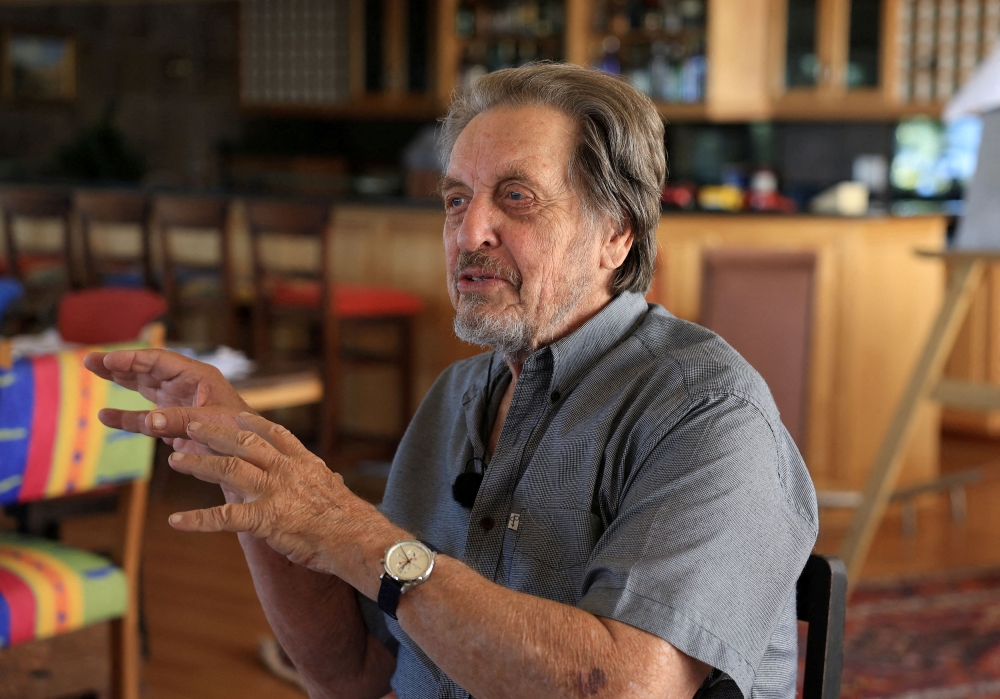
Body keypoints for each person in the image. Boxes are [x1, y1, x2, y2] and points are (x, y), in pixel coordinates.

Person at [85, 63, 817, 699]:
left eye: (516, 198)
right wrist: (253, 466)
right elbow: (354, 675)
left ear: (616, 234)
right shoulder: (456, 399)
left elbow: (626, 686)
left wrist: (349, 530)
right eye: (457, 199)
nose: (470, 233)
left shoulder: (705, 409)